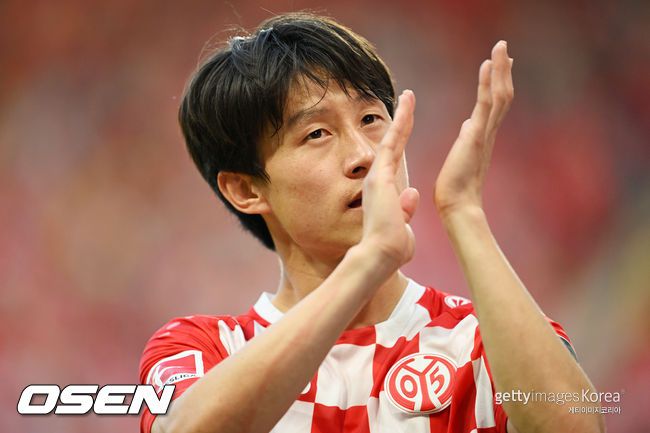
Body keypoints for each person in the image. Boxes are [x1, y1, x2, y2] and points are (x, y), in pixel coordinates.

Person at [139, 12, 605, 433]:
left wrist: (464, 211)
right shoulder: (202, 348)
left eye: (370, 118)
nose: (365, 155)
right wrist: (369, 260)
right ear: (246, 189)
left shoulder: (488, 342)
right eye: (317, 133)